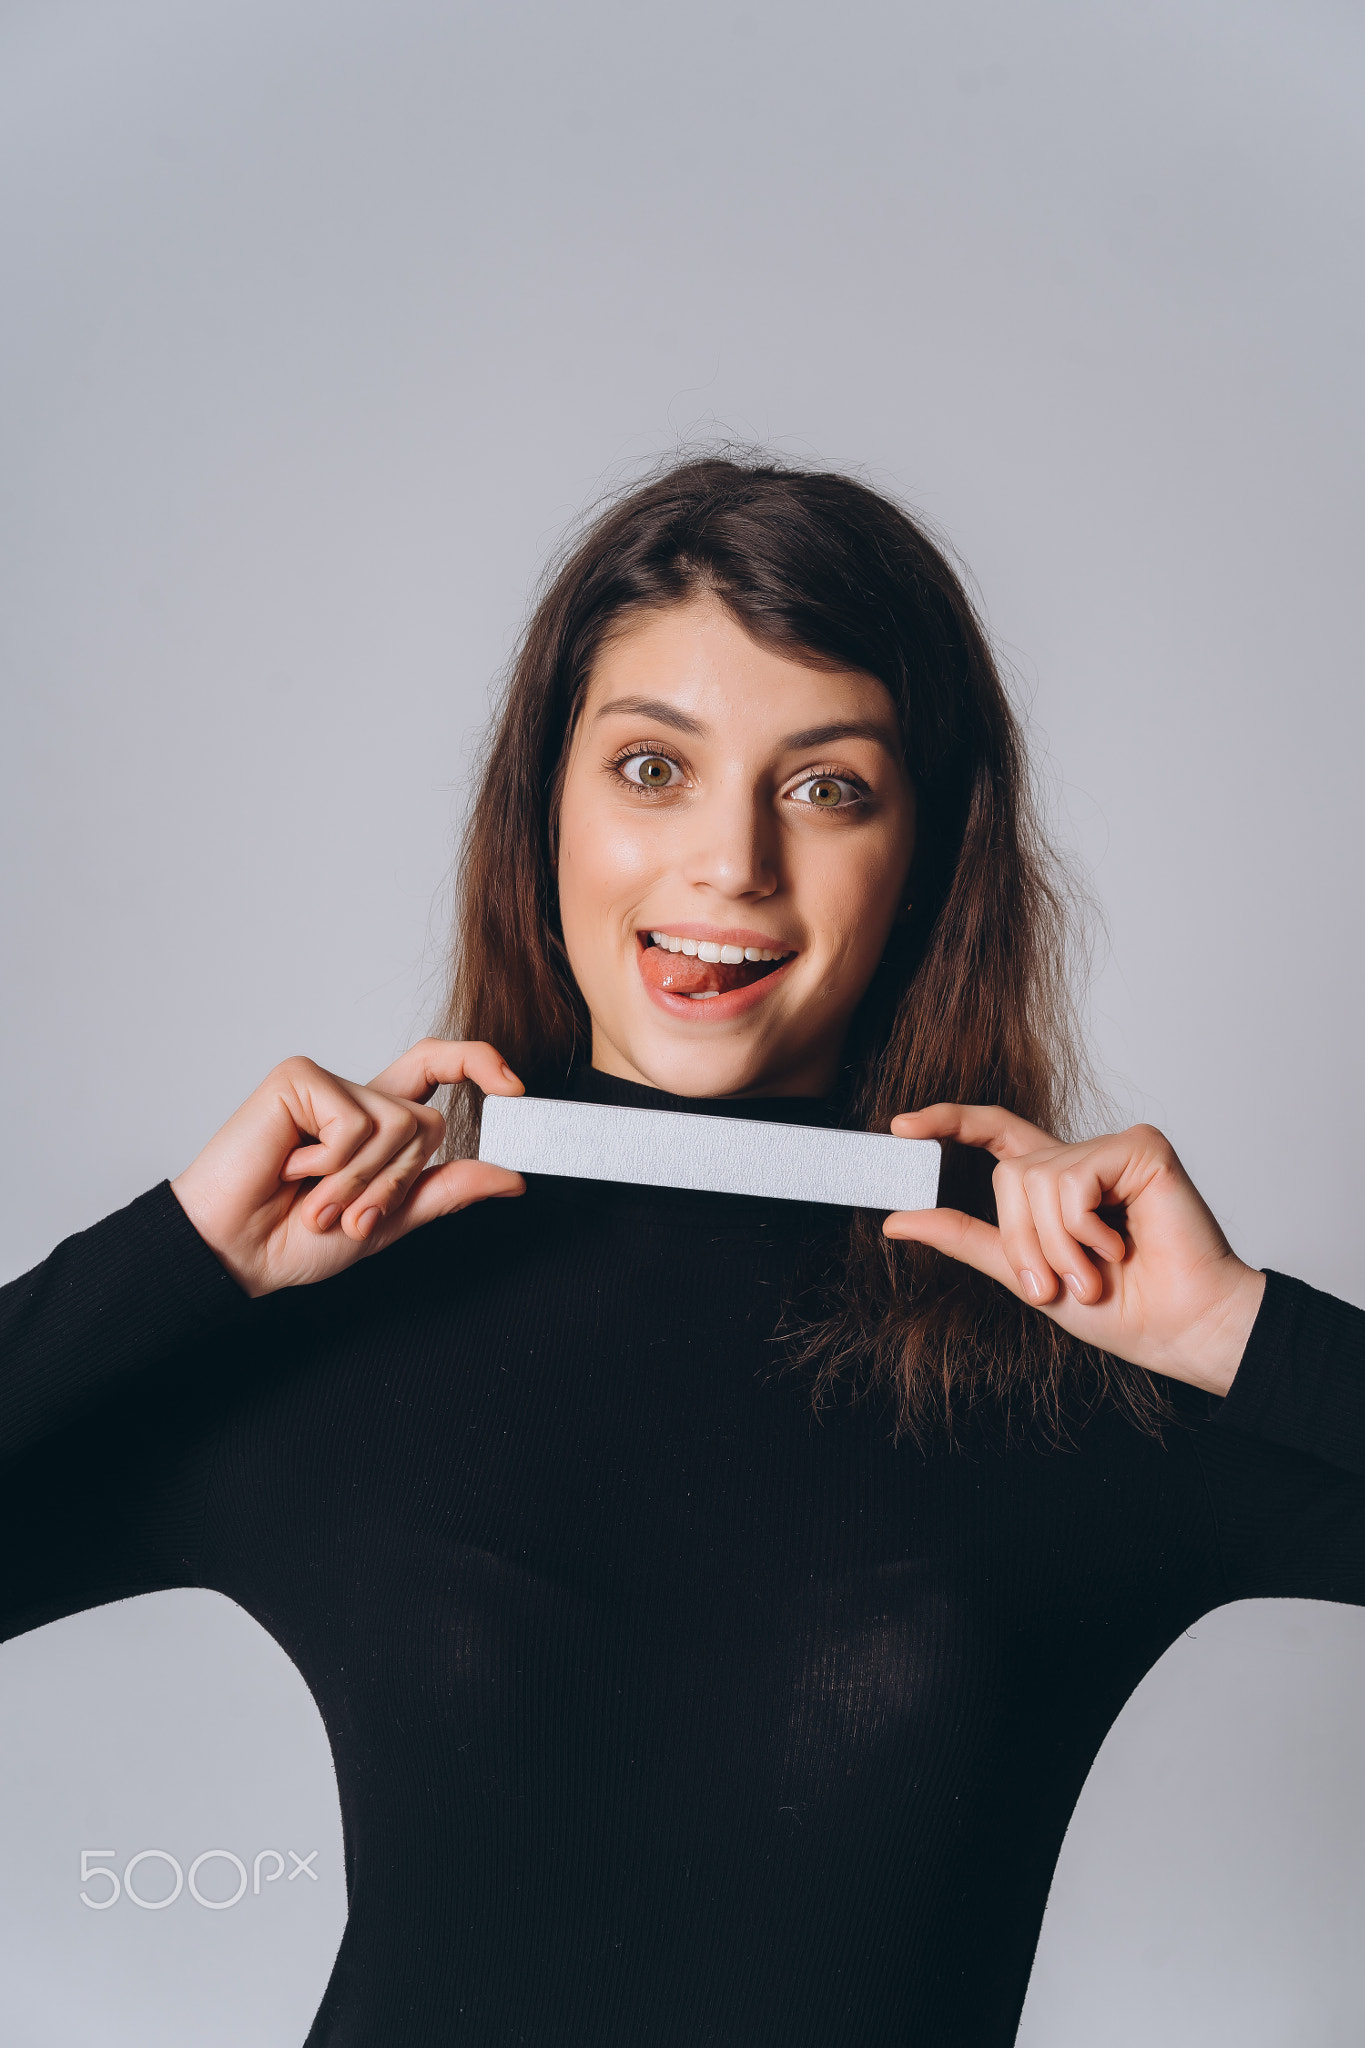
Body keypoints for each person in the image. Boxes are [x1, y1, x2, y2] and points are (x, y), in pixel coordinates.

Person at [2, 453, 1361, 2047]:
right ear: (546, 809)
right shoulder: (330, 1316)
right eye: (652, 768)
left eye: (825, 786)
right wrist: (173, 1260)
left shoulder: (1063, 1346)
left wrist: (1236, 1335)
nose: (730, 864)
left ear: (927, 855)